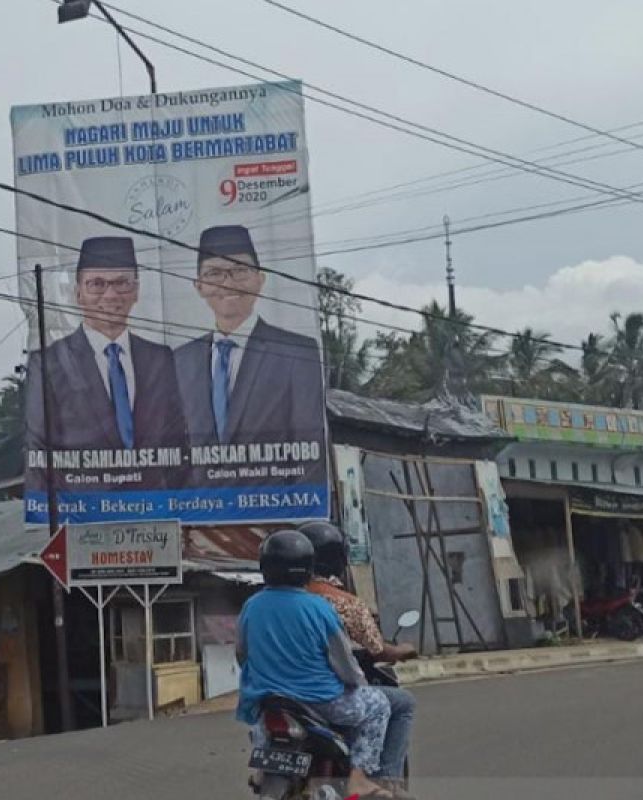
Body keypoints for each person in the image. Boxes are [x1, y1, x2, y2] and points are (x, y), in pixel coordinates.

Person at [237, 529, 394, 799]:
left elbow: (242, 654)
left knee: (262, 723)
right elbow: (344, 662)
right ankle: (358, 779)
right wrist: (358, 682)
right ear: (308, 568)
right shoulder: (318, 608)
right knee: (379, 704)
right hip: (323, 702)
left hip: (271, 700)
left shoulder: (251, 606)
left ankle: (264, 769)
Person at [24, 236, 187, 490]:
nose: (110, 295)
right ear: (78, 293)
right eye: (97, 284)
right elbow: (38, 452)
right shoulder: (49, 363)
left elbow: (180, 448)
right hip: (84, 515)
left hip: (156, 513)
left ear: (136, 291)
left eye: (121, 283)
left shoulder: (160, 359)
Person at [174, 225, 326, 484]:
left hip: (275, 513)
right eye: (214, 273)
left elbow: (310, 449)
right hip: (199, 514)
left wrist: (296, 518)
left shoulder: (296, 352)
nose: (228, 283)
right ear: (199, 286)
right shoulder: (180, 360)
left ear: (260, 279)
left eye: (240, 270)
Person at [299, 520, 417, 797]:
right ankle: (384, 780)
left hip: (283, 691)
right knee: (402, 703)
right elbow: (374, 649)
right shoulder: (344, 603)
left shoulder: (278, 600)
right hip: (326, 691)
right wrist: (401, 650)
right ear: (338, 559)